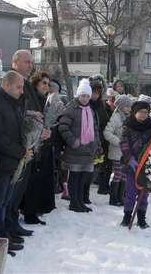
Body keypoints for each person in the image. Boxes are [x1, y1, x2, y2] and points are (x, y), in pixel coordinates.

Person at [0, 71, 31, 255]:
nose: (21, 91)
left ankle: (2, 237)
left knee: (4, 202)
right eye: (18, 87)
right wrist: (20, 151)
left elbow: (17, 131)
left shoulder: (12, 103)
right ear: (6, 85)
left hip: (10, 161)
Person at [7, 50, 50, 236]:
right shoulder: (11, 82)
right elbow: (15, 113)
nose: (30, 65)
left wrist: (40, 129)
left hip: (29, 144)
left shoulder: (26, 84)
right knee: (13, 190)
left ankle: (14, 221)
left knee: (21, 188)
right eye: (26, 62)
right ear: (14, 62)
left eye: (31, 62)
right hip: (17, 146)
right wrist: (33, 125)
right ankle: (8, 224)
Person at [58, 79, 100, 213]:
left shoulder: (90, 110)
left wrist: (96, 145)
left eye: (87, 96)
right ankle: (74, 202)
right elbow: (63, 127)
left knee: (83, 178)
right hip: (75, 150)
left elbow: (95, 129)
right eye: (83, 95)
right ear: (78, 95)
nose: (85, 98)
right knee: (75, 177)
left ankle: (80, 201)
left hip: (88, 150)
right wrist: (73, 141)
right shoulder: (71, 108)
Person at [23, 72, 56, 224]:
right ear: (35, 83)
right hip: (32, 146)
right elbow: (28, 123)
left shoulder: (44, 100)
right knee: (31, 181)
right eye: (43, 83)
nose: (46, 86)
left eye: (48, 84)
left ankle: (37, 209)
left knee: (40, 179)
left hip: (43, 145)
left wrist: (48, 130)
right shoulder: (31, 99)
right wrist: (39, 132)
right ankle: (30, 212)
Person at [120, 101, 151, 229]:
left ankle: (141, 218)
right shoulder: (127, 125)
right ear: (134, 113)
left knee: (143, 193)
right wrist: (129, 158)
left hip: (146, 165)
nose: (142, 115)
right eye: (140, 112)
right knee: (130, 192)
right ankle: (127, 216)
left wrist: (150, 160)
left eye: (145, 112)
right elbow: (123, 143)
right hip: (131, 165)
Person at [103, 95, 132, 206]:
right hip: (116, 151)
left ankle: (121, 197)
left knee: (124, 174)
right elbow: (107, 133)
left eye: (130, 106)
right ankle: (113, 198)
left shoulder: (129, 117)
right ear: (121, 107)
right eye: (127, 106)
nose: (129, 108)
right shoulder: (115, 117)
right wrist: (118, 141)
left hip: (126, 152)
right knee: (118, 174)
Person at [89, 75, 110, 197]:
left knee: (97, 168)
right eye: (93, 92)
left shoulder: (101, 105)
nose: (95, 95)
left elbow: (104, 121)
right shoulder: (87, 105)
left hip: (101, 140)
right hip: (90, 141)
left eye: (97, 93)